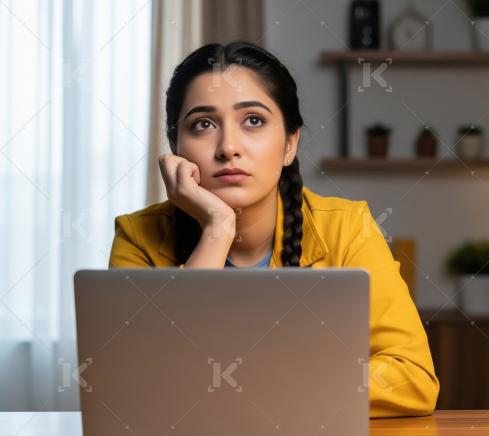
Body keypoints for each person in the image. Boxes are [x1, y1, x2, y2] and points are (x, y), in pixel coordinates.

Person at [108, 41, 439, 418]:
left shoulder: (348, 228)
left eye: (253, 120)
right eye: (203, 124)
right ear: (175, 148)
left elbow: (411, 378)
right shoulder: (137, 237)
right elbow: (136, 389)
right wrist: (218, 229)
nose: (228, 147)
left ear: (289, 145)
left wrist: (258, 387)